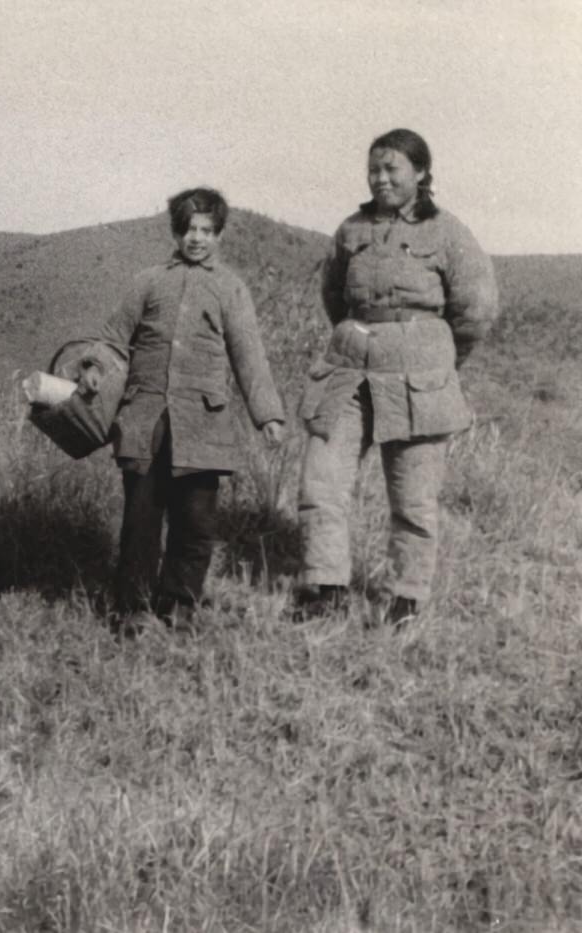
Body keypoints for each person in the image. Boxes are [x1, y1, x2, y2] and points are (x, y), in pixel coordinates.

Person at [291, 129, 498, 626]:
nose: (380, 179)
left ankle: (405, 598)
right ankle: (326, 588)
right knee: (320, 481)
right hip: (348, 374)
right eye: (374, 170)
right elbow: (334, 297)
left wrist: (436, 358)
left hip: (418, 380)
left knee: (412, 496)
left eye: (392, 170)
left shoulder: (448, 233)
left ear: (421, 174)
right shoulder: (349, 230)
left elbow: (477, 311)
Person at [79, 187, 285, 632]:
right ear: (176, 232)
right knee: (140, 520)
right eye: (189, 229)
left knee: (195, 521)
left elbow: (249, 354)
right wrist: (95, 367)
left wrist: (267, 414)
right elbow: (114, 336)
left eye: (207, 231)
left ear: (220, 235)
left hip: (203, 427)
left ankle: (179, 605)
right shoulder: (148, 281)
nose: (197, 238)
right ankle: (132, 609)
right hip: (145, 422)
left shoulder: (230, 289)